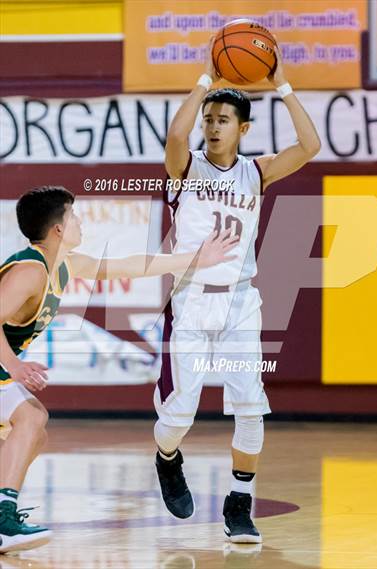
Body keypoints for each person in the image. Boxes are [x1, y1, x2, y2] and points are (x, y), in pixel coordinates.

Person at [0, 186, 238, 554]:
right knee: (30, 419)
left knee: (35, 431)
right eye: (73, 216)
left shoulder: (63, 265)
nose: (80, 222)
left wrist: (195, 260)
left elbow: (127, 265)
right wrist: (14, 364)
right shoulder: (30, 271)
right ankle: (3, 520)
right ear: (58, 229)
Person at [153, 40, 321, 543]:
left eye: (223, 120)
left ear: (243, 128)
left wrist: (281, 84)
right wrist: (206, 77)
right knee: (179, 413)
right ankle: (167, 457)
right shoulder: (186, 168)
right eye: (209, 119)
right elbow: (176, 134)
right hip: (192, 298)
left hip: (241, 300)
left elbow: (310, 146)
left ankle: (239, 501)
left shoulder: (256, 171)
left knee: (250, 403)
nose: (212, 126)